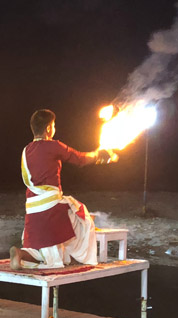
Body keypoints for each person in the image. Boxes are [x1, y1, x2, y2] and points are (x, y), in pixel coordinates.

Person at [9, 109, 113, 270]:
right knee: (83, 216)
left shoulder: (26, 150)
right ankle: (78, 256)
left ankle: (20, 253)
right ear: (49, 128)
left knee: (45, 253)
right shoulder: (53, 146)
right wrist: (98, 155)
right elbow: (79, 158)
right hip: (51, 205)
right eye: (54, 125)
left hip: (31, 208)